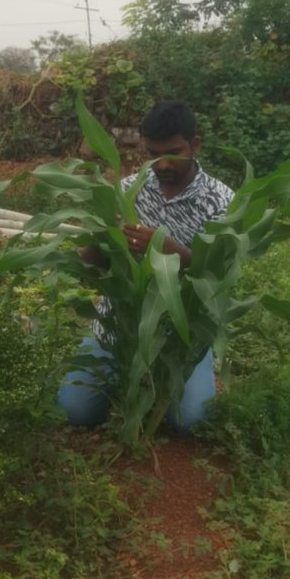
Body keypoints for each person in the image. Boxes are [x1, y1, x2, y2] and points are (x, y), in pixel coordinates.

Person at [58, 100, 235, 432]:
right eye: (153, 154)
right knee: (74, 411)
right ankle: (135, 374)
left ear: (195, 144)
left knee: (190, 421)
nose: (163, 164)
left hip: (183, 329)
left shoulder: (222, 202)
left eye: (174, 153)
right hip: (119, 321)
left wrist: (170, 252)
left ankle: (163, 377)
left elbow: (218, 277)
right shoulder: (129, 190)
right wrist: (102, 235)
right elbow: (90, 263)